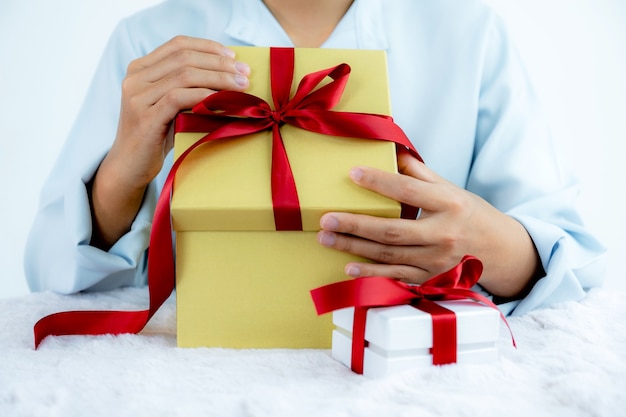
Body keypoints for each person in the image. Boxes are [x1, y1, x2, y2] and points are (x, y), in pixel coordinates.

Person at [24, 0, 606, 316]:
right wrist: (124, 169)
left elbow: (572, 255)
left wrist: (498, 248)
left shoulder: (471, 30)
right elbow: (51, 275)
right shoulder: (150, 40)